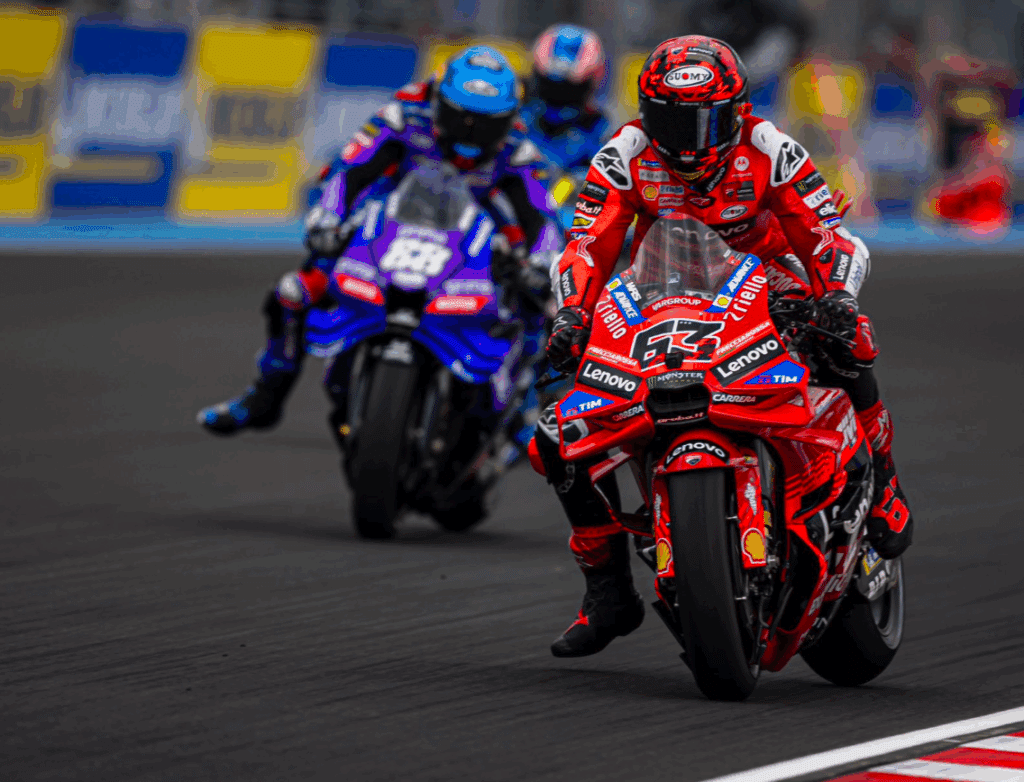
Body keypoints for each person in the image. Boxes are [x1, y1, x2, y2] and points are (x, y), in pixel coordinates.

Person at [535, 35, 914, 658]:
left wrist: (837, 300)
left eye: (702, 119)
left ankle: (888, 489)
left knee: (848, 344)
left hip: (771, 276)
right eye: (668, 119)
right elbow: (585, 244)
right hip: (665, 290)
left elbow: (828, 236)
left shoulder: (772, 149)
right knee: (555, 434)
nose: (685, 138)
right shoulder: (623, 154)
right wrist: (572, 315)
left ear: (736, 110)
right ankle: (607, 589)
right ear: (644, 113)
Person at [198, 46, 560, 436]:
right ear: (439, 100)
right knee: (296, 290)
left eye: (486, 125)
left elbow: (545, 216)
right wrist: (328, 219)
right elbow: (349, 169)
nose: (470, 134)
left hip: (479, 236)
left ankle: (520, 414)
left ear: (507, 120)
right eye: (460, 118)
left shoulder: (516, 147)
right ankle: (266, 395)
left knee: (538, 302)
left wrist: (542, 263)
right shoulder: (404, 115)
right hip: (393, 217)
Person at [519, 24, 611, 182]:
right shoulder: (516, 116)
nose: (557, 97)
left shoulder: (598, 129)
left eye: (568, 90)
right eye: (550, 87)